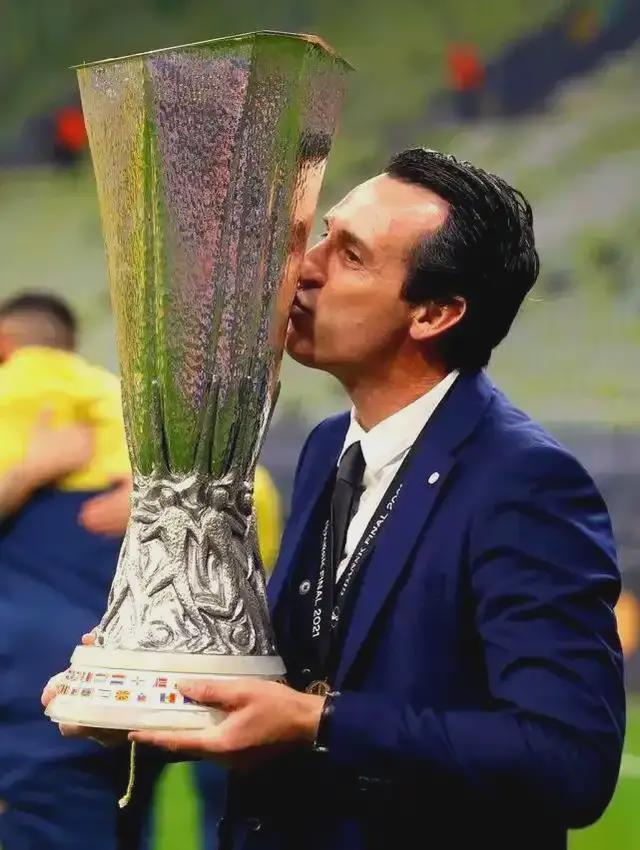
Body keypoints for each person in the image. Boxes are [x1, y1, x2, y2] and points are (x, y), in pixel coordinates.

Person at [45, 149, 625, 850]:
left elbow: (567, 759)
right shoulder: (329, 447)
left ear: (434, 313)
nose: (304, 267)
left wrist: (318, 723)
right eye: (323, 235)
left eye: (350, 255)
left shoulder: (523, 482)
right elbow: (296, 680)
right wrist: (153, 673)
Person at [0, 293, 160, 850]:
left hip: (32, 695)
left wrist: (26, 475)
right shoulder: (130, 406)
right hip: (136, 679)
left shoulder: (11, 400)